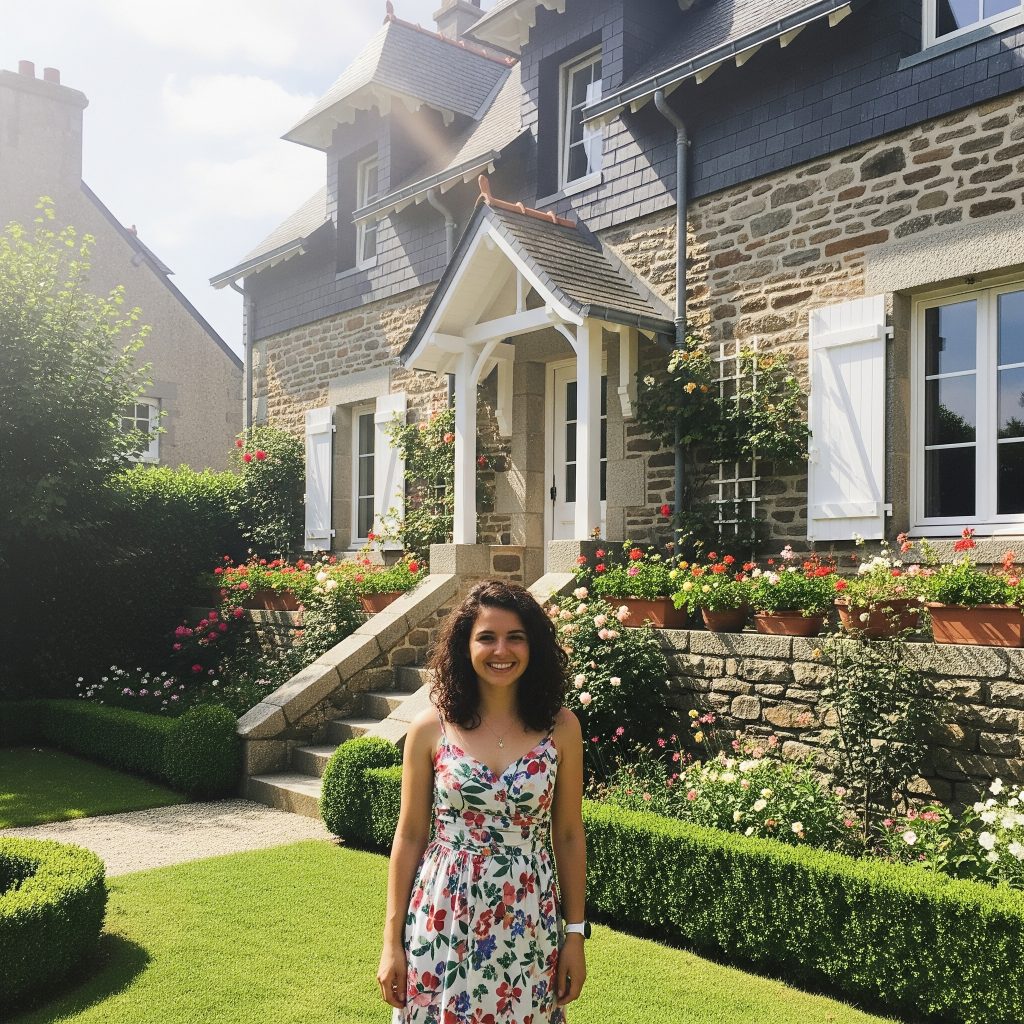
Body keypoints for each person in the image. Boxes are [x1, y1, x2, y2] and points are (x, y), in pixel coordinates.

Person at [377, 579, 587, 1022]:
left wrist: (574, 935)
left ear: (534, 647)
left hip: (528, 916)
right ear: (464, 646)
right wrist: (390, 941)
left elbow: (567, 834)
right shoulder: (430, 728)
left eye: (515, 637)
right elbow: (411, 833)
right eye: (486, 637)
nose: (501, 651)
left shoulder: (561, 728)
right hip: (442, 913)